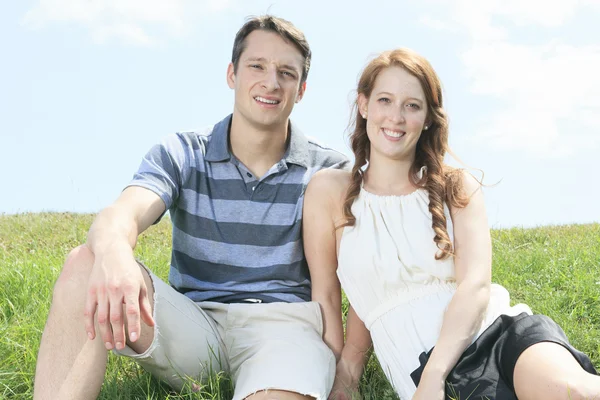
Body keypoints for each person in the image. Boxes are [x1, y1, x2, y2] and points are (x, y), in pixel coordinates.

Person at [34, 15, 349, 400]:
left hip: (283, 331)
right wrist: (115, 250)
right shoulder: (182, 152)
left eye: (286, 72)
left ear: (301, 90)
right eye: (257, 66)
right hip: (195, 326)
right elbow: (123, 213)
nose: (271, 82)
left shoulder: (331, 170)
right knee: (84, 263)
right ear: (232, 74)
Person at [303, 48, 600, 400]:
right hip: (418, 363)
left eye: (412, 105)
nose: (396, 117)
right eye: (385, 100)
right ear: (364, 105)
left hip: (495, 334)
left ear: (428, 117)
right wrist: (345, 370)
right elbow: (337, 294)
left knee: (572, 391)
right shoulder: (328, 191)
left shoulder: (456, 185)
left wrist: (435, 375)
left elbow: (475, 286)